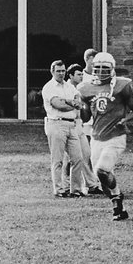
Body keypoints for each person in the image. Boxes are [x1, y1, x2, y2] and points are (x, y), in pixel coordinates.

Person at [77, 51, 133, 221]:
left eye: (105, 68)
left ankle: (117, 199)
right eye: (98, 68)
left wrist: (125, 120)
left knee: (102, 170)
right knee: (102, 179)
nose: (101, 71)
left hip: (116, 136)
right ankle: (118, 202)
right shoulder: (85, 87)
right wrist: (81, 107)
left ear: (112, 69)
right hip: (96, 137)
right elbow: (86, 118)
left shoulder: (122, 85)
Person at [41, 59, 90, 198]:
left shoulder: (69, 87)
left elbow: (79, 102)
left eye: (63, 71)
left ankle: (75, 189)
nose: (61, 74)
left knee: (78, 158)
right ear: (52, 71)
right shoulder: (49, 87)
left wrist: (69, 102)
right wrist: (71, 103)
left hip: (71, 124)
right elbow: (58, 105)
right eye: (58, 71)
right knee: (58, 159)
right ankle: (59, 189)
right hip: (56, 124)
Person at [60, 64, 103, 196]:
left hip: (78, 124)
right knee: (69, 159)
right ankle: (66, 186)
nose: (81, 77)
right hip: (66, 123)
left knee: (85, 154)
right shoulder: (65, 88)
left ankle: (91, 184)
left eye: (82, 74)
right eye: (78, 74)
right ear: (71, 75)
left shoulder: (80, 89)